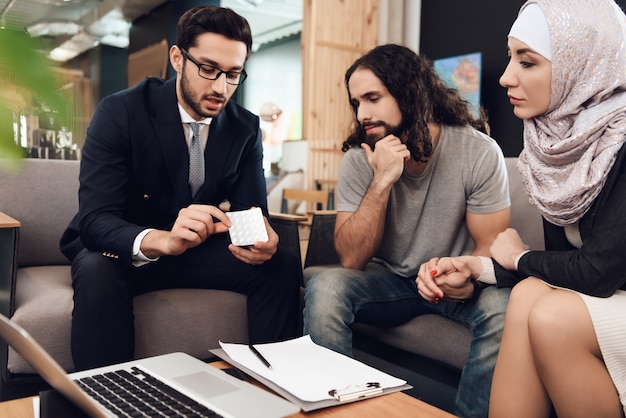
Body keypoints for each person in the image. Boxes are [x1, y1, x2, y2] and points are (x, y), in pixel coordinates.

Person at [60, 5, 301, 371]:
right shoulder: (120, 112)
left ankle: (278, 386)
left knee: (280, 261)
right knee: (96, 272)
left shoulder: (245, 127)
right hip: (127, 250)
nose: (221, 87)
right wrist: (161, 239)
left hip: (194, 250)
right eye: (208, 69)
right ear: (177, 58)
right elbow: (95, 219)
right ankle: (106, 401)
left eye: (234, 74)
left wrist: (260, 237)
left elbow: (251, 212)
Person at [419, 1, 626, 417]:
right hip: (604, 295)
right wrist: (479, 268)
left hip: (610, 290)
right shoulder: (555, 142)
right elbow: (562, 264)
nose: (505, 76)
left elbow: (598, 273)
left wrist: (517, 256)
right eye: (511, 57)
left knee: (553, 316)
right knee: (532, 292)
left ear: (580, 64)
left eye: (527, 62)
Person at [302, 43, 512, 418]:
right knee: (326, 287)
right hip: (391, 282)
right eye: (356, 103)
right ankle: (336, 410)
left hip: (454, 279)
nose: (363, 114)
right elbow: (351, 258)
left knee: (505, 308)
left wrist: (467, 279)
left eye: (372, 98)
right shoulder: (359, 159)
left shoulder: (478, 152)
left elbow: (490, 247)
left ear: (409, 92)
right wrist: (382, 180)